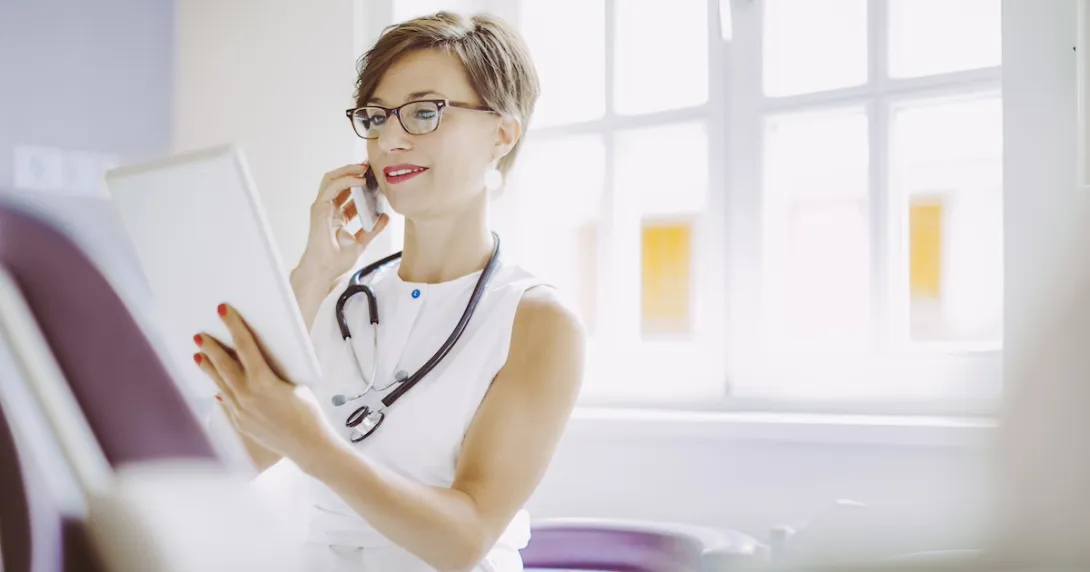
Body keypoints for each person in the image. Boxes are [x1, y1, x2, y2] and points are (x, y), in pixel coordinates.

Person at [189, 11, 586, 572]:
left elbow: (464, 538)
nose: (390, 139)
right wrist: (314, 273)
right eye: (375, 118)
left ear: (502, 133)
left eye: (425, 113)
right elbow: (229, 460)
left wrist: (315, 448)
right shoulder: (340, 298)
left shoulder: (538, 321)